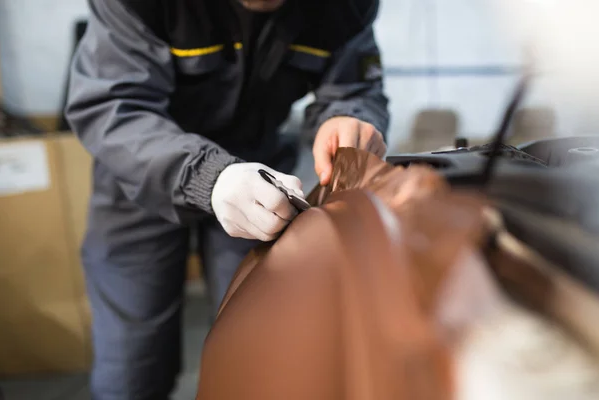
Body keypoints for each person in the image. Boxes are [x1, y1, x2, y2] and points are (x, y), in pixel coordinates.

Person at [65, 0, 389, 398]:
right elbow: (112, 106)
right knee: (131, 368)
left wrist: (350, 117)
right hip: (141, 178)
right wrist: (209, 176)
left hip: (263, 183)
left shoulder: (345, 6)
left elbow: (355, 88)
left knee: (257, 351)